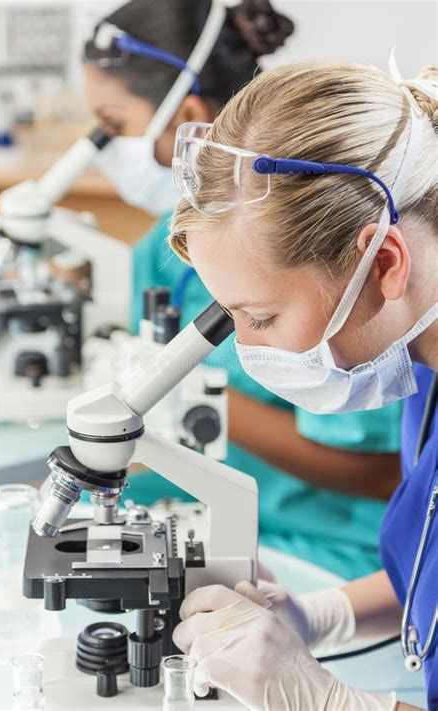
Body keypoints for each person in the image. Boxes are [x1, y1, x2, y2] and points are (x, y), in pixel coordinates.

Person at [83, 0, 404, 580]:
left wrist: (189, 399)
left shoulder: (316, 251)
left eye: (113, 125)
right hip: (217, 512)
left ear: (185, 113)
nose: (104, 150)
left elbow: (387, 472)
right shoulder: (169, 246)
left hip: (333, 551)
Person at [168, 58, 437, 709]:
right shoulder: (421, 373)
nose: (246, 344)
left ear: (384, 263)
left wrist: (321, 698)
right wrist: (320, 615)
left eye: (259, 316)